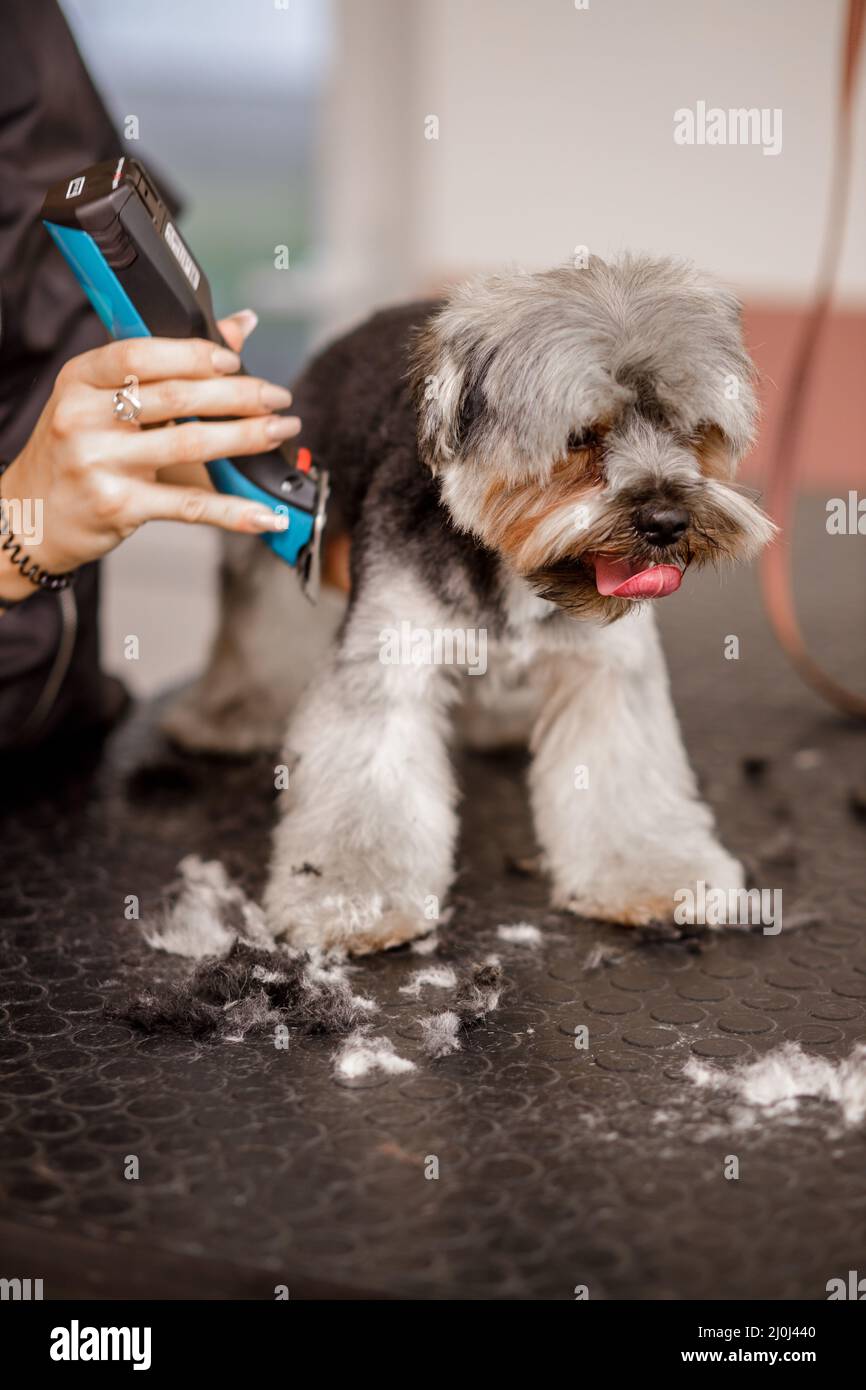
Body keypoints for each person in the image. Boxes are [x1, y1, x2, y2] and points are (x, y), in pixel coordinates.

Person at [0, 0, 300, 748]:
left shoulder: (24, 27)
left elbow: (77, 274)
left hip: (68, 727)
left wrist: (206, 445)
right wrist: (17, 535)